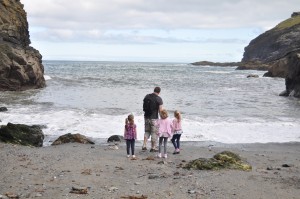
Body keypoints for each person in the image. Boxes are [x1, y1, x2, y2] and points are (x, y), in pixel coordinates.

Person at [142, 87, 163, 152]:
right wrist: (162, 118)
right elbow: (160, 110)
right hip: (154, 118)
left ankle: (144, 145)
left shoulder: (147, 96)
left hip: (146, 117)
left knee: (147, 131)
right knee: (154, 132)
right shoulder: (159, 99)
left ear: (154, 90)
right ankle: (153, 147)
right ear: (159, 92)